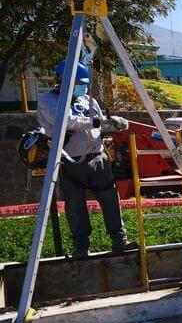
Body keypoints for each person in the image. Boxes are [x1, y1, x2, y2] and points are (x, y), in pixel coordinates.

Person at [37, 60, 134, 258]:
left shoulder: (88, 101)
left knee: (110, 201)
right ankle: (81, 248)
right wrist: (97, 121)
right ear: (63, 81)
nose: (82, 87)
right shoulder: (48, 100)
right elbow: (66, 121)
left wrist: (114, 124)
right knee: (75, 206)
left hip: (97, 159)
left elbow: (98, 126)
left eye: (83, 83)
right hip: (69, 162)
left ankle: (119, 241)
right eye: (78, 83)